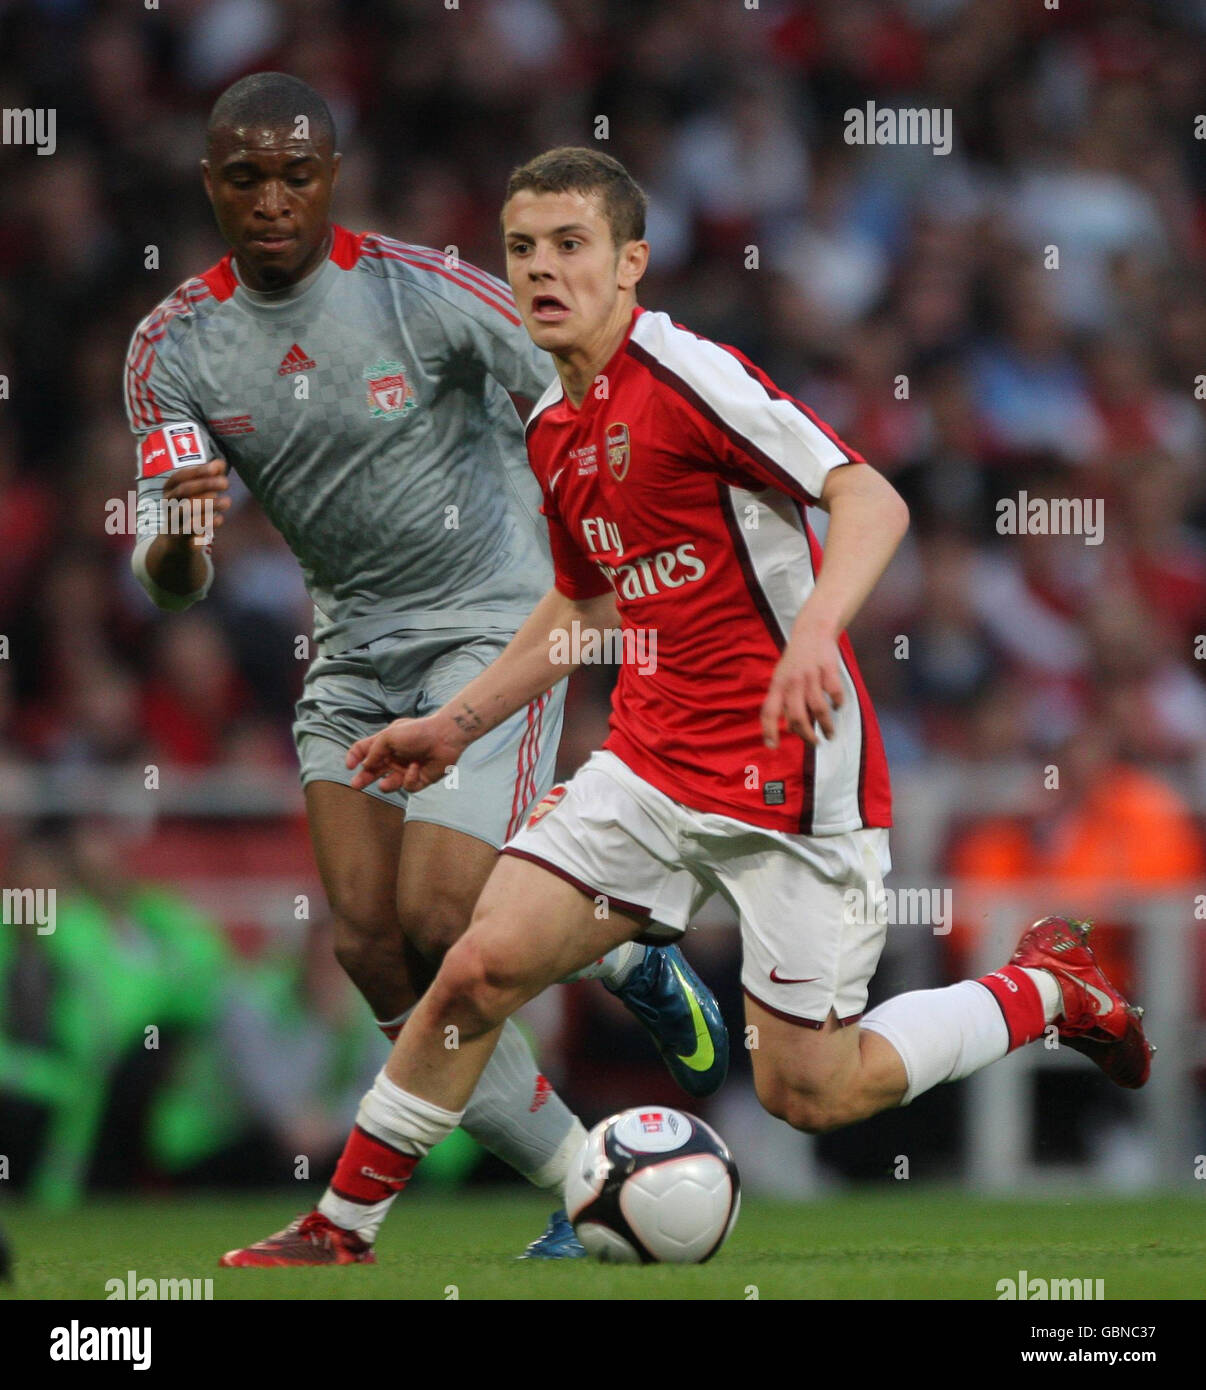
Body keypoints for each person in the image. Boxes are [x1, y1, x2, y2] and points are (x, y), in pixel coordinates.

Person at [221, 147, 1151, 1267]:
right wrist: (453, 724)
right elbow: (580, 605)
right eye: (523, 248)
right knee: (475, 965)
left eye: (572, 245)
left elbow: (869, 495)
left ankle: (1046, 985)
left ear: (632, 265)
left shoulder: (688, 375)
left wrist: (813, 635)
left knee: (814, 1088)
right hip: (650, 762)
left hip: (791, 769)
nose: (542, 269)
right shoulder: (554, 431)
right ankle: (342, 1225)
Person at [125, 82, 727, 1261]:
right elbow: (169, 584)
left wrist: (617, 551)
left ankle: (622, 936)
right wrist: (181, 536)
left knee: (443, 913)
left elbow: (584, 373)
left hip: (491, 621)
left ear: (333, 176)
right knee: (366, 942)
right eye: (245, 176)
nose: (272, 197)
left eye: (296, 173)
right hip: (351, 643)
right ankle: (577, 1174)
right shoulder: (172, 347)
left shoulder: (419, 289)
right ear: (211, 186)